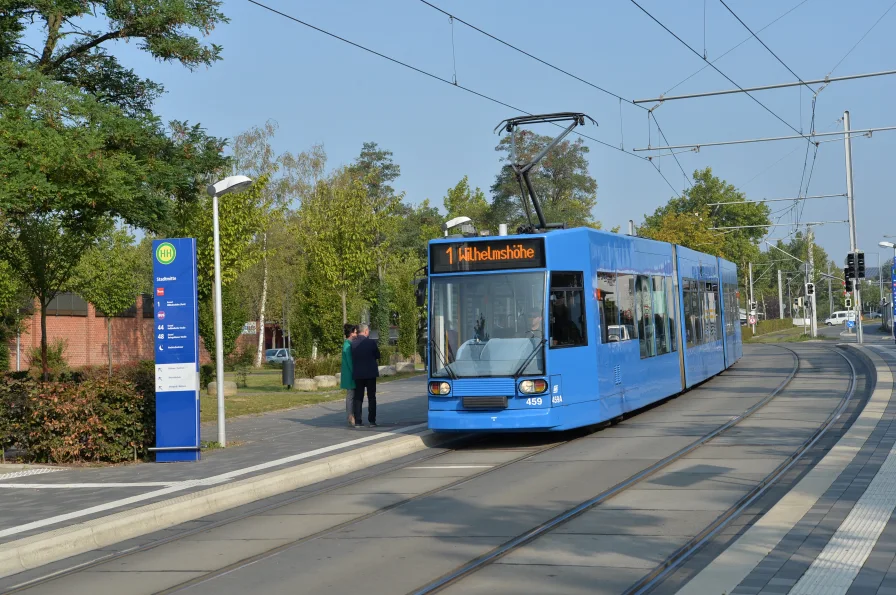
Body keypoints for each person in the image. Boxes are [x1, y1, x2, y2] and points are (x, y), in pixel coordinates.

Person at [351, 323, 381, 428]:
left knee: (358, 397)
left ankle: (358, 421)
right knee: (371, 397)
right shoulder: (371, 342)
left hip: (358, 374)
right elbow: (378, 355)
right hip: (370, 373)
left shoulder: (353, 344)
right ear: (365, 331)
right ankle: (372, 421)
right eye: (368, 331)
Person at [340, 323, 358, 427]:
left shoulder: (349, 344)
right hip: (350, 374)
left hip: (350, 374)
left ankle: (351, 415)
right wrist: (356, 373)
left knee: (352, 395)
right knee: (351, 395)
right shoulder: (347, 345)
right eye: (355, 333)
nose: (356, 334)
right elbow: (350, 362)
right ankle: (350, 416)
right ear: (351, 334)